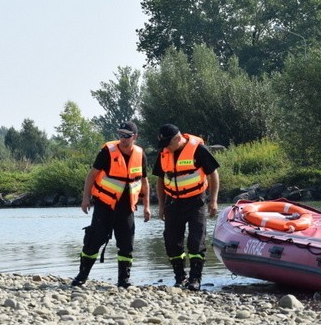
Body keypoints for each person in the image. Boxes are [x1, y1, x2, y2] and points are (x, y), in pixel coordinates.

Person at [71, 121, 151, 288]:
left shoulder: (140, 154)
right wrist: (85, 199)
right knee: (94, 241)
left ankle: (123, 280)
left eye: (126, 136)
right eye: (120, 134)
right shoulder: (107, 152)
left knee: (127, 244)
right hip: (105, 205)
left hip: (127, 207)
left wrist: (147, 206)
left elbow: (144, 181)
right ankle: (82, 276)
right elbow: (91, 176)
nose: (122, 138)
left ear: (134, 137)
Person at [153, 124, 220, 291]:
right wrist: (161, 206)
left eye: (169, 143)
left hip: (195, 201)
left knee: (196, 241)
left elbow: (213, 174)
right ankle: (180, 278)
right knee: (171, 241)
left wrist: (213, 200)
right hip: (173, 202)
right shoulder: (164, 153)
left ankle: (195, 279)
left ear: (177, 138)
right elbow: (160, 180)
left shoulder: (198, 149)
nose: (166, 147)